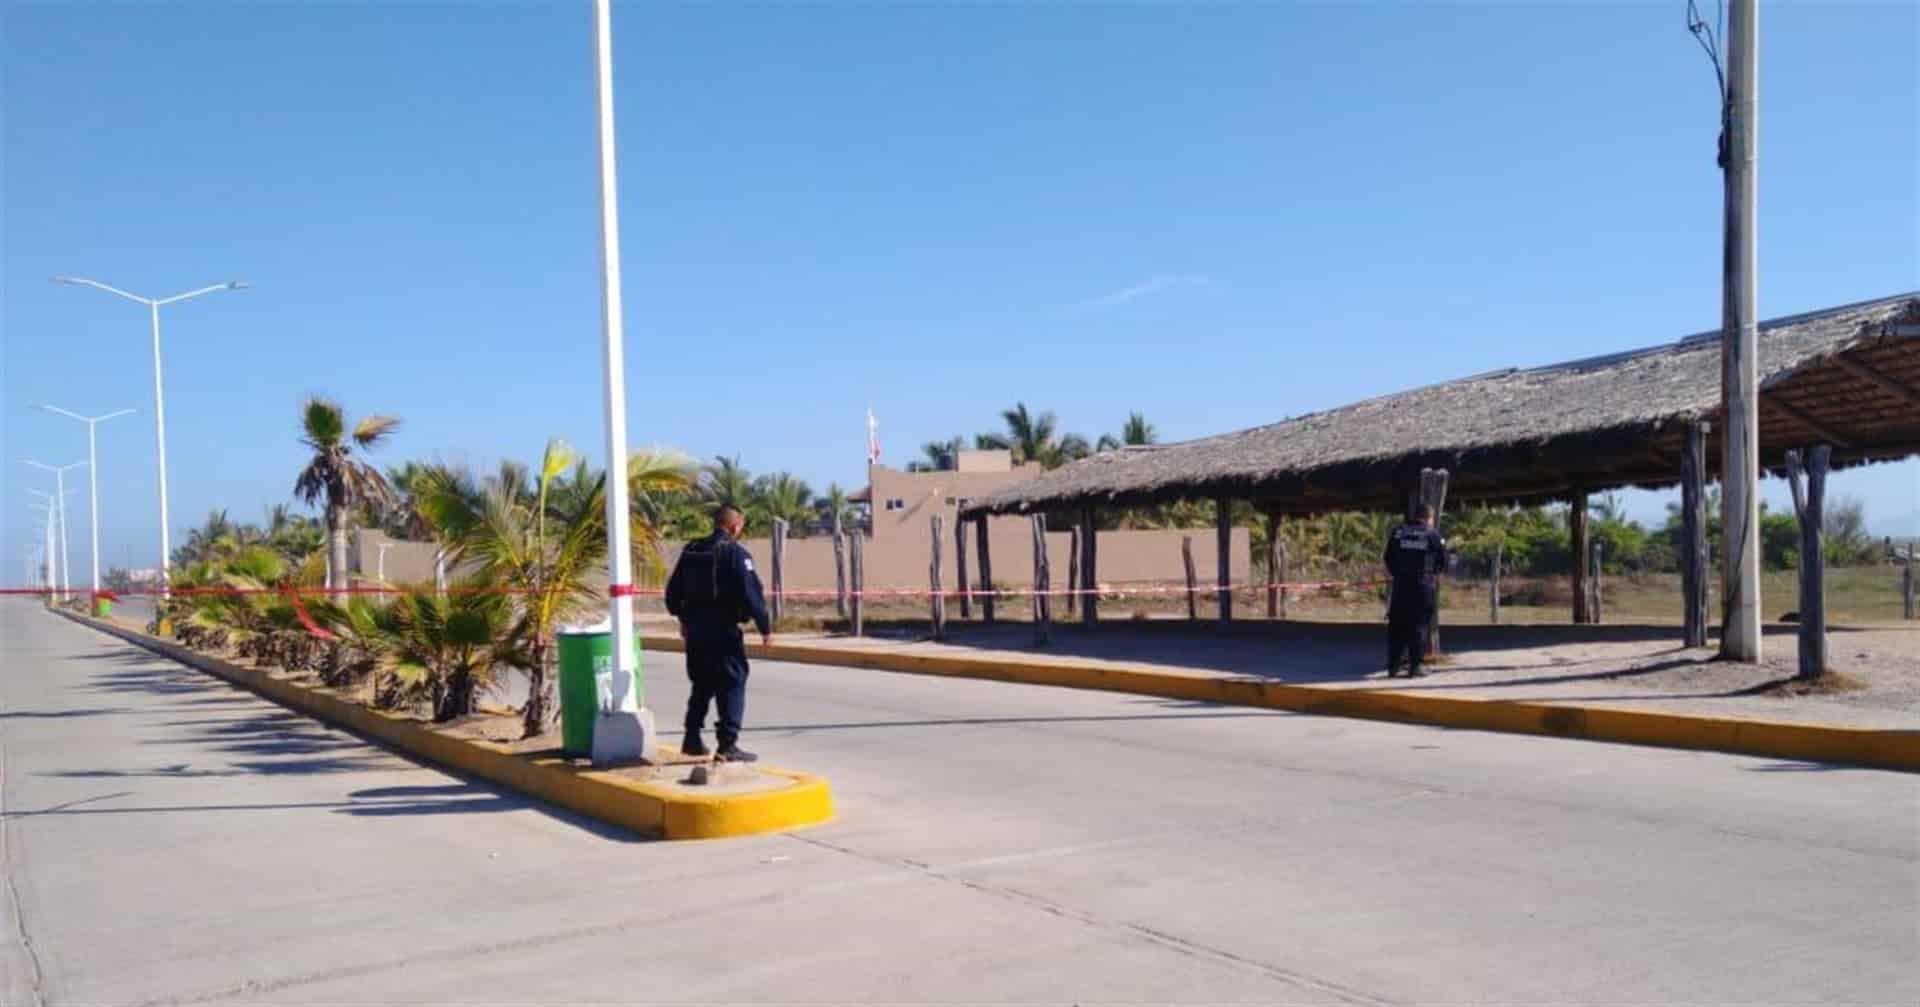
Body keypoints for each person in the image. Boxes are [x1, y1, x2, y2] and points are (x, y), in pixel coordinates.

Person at [664, 504, 771, 762]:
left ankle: (691, 737)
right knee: (732, 682)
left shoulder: (692, 550)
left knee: (702, 682)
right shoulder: (735, 553)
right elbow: (751, 594)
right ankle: (727, 745)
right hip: (723, 631)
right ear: (735, 526)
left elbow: (673, 592)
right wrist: (765, 627)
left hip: (695, 631)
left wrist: (683, 618)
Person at [1383, 503, 1447, 678]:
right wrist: (1432, 574)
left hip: (1400, 586)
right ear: (1430, 517)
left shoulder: (1398, 532)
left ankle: (1393, 667)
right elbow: (1443, 560)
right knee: (1419, 625)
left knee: (1397, 625)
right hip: (1422, 586)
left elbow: (1388, 557)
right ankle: (1415, 666)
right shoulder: (1432, 534)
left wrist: (1398, 573)